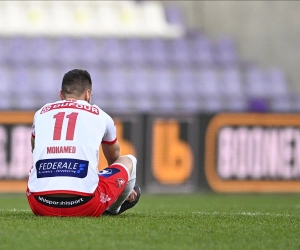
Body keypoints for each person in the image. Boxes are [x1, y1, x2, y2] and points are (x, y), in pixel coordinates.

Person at [26, 69, 141, 217]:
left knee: (36, 165)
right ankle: (113, 209)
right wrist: (123, 187)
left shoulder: (41, 113)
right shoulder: (101, 116)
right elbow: (114, 159)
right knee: (129, 160)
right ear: (87, 94)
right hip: (84, 205)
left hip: (40, 205)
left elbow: (34, 147)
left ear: (61, 94)